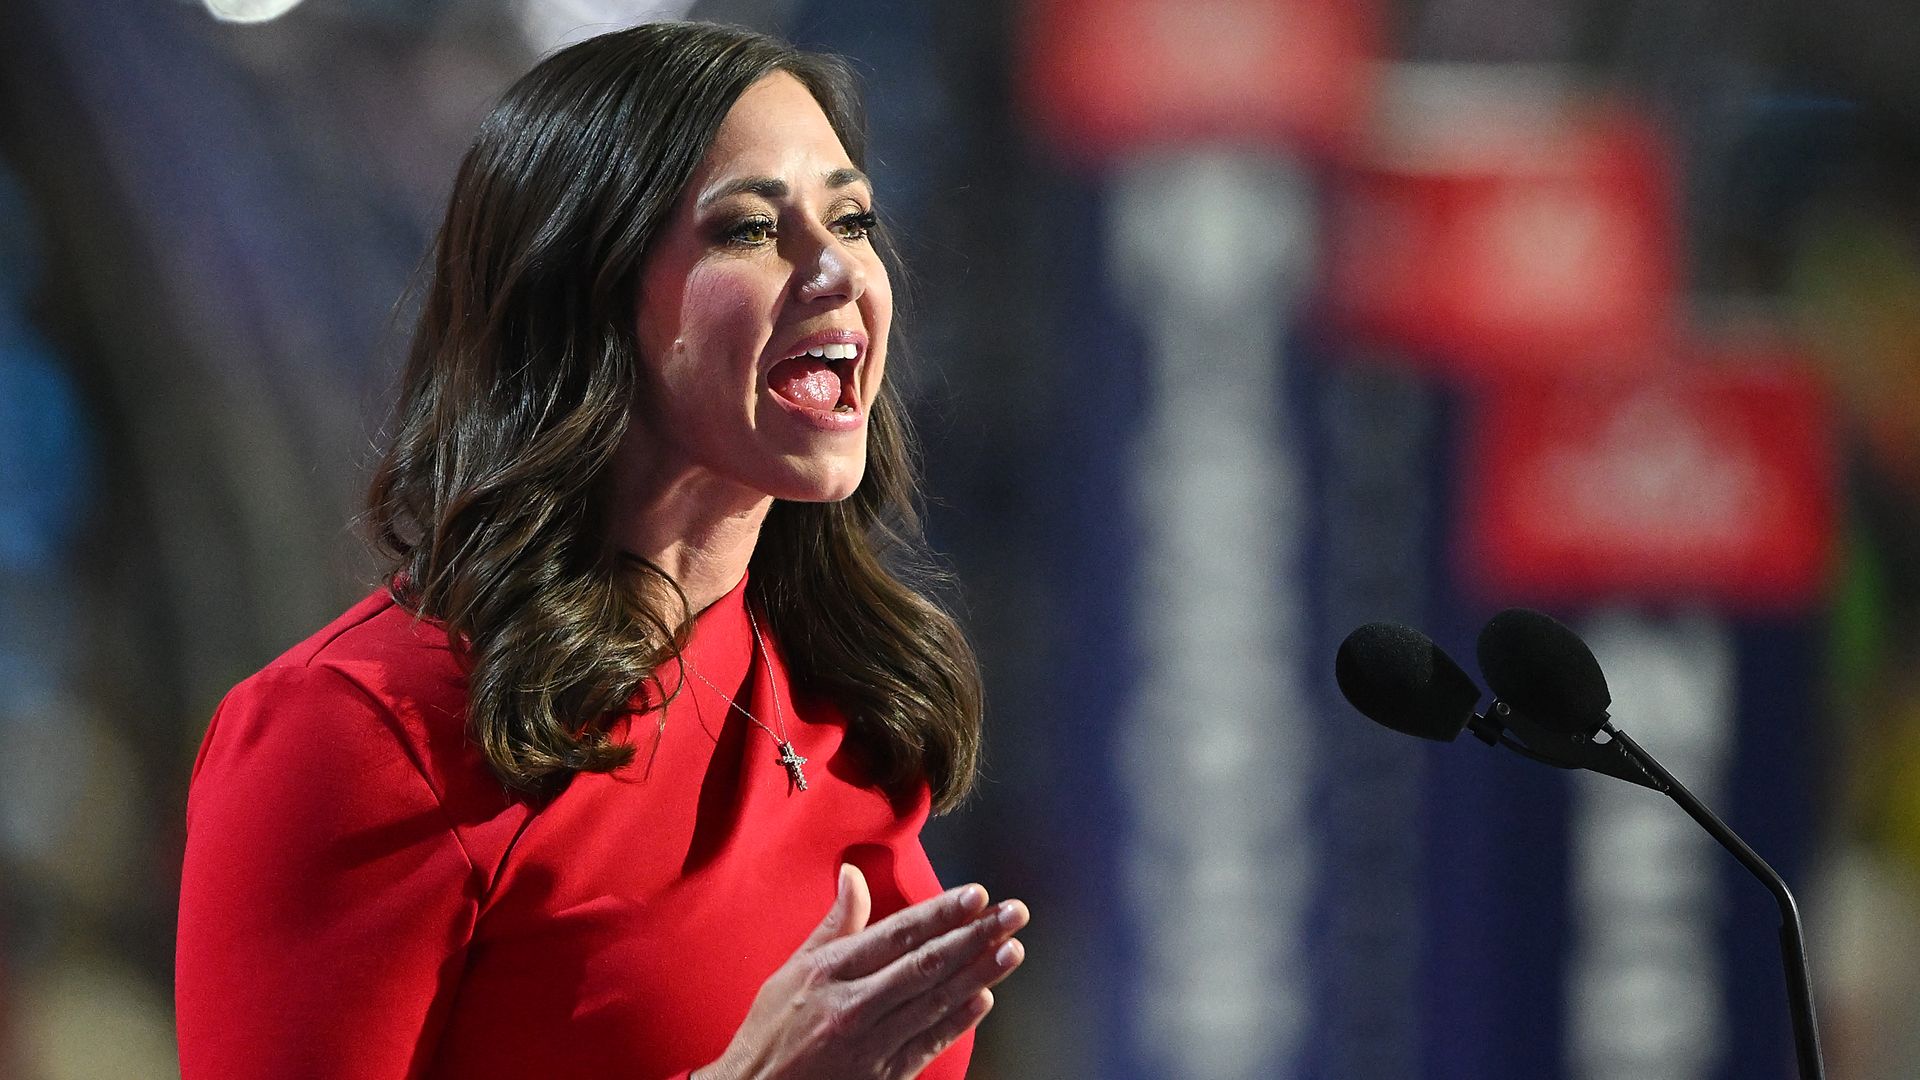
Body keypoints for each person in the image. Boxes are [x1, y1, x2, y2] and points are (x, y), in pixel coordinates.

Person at [174, 22, 1027, 1080]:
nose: (835, 271)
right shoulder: (356, 736)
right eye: (752, 230)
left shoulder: (849, 708)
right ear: (586, 295)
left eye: (850, 219)